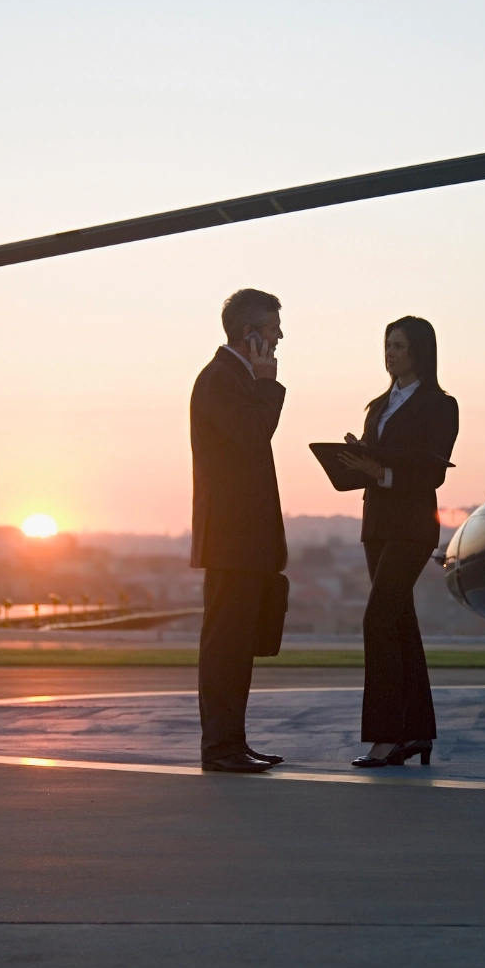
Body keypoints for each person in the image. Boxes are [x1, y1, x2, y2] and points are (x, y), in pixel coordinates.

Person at [337, 316, 459, 768]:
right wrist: (353, 461)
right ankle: (417, 734)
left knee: (378, 621)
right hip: (377, 527)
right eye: (387, 345)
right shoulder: (378, 407)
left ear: (419, 352)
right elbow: (374, 463)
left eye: (400, 346)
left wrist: (381, 473)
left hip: (411, 528)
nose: (390, 353)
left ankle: (387, 738)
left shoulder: (440, 405)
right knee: (400, 626)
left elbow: (430, 471)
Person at [189, 288, 288, 773]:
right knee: (225, 643)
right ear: (250, 335)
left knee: (238, 644)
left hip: (244, 539)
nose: (279, 338)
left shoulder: (234, 378)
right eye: (271, 330)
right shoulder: (219, 381)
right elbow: (253, 433)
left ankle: (233, 741)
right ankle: (220, 747)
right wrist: (269, 384)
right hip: (230, 539)